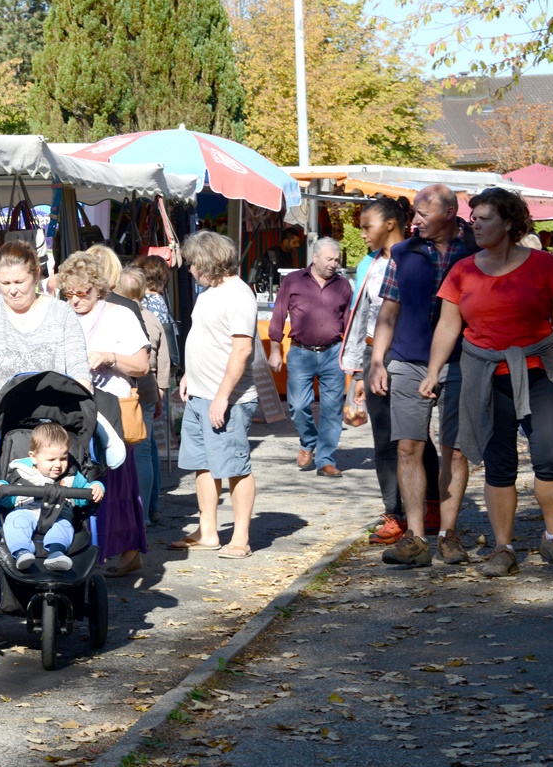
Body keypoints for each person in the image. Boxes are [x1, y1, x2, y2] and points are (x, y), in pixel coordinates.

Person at [419, 188, 553, 577]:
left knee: (550, 456)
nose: (474, 223)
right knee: (499, 464)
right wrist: (433, 371)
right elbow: (448, 325)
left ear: (509, 222)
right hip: (485, 374)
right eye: (473, 217)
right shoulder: (462, 271)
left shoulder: (543, 265)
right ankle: (503, 548)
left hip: (539, 370)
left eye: (484, 217)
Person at [368, 184, 479, 568]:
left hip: (464, 360)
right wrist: (378, 360)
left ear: (449, 214)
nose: (413, 220)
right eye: (413, 212)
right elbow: (389, 309)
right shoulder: (404, 252)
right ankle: (415, 537)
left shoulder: (476, 250)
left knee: (456, 448)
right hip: (408, 359)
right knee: (407, 446)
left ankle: (448, 535)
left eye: (422, 214)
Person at [341, 200, 441, 545]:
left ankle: (430, 506)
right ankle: (394, 513)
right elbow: (360, 318)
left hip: (413, 353)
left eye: (368, 226)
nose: (363, 233)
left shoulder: (419, 256)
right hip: (376, 352)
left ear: (390, 224)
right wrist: (358, 372)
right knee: (384, 437)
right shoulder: (368, 264)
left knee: (415, 436)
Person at [56, 250, 150, 576]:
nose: (76, 300)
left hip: (114, 410)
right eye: (70, 294)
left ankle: (126, 551)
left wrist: (109, 356)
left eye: (83, 293)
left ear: (98, 287)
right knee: (81, 480)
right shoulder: (63, 317)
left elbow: (141, 365)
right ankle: (84, 547)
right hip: (76, 411)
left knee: (118, 484)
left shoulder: (120, 315)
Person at [170, 231, 258, 559]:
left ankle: (240, 538)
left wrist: (222, 396)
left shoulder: (238, 294)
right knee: (203, 464)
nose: (189, 269)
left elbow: (242, 350)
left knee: (234, 466)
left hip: (228, 399)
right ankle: (208, 532)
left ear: (207, 261)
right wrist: (190, 375)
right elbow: (204, 336)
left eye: (192, 263)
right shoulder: (208, 293)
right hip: (200, 394)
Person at [0, 240, 90, 410]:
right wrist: (0, 412)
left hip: (56, 420)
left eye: (19, 282)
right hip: (1, 417)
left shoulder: (62, 313)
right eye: (5, 283)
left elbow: (80, 372)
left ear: (36, 274)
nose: (12, 290)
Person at [268, 237, 352, 478]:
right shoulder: (294, 281)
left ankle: (325, 459)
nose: (334, 264)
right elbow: (278, 314)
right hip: (301, 353)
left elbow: (348, 323)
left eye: (336, 260)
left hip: (333, 352)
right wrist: (275, 349)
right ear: (314, 257)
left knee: (332, 409)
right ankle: (308, 440)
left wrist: (352, 358)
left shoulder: (343, 285)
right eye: (329, 259)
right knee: (297, 405)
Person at [0, 423, 105, 571]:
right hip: (26, 510)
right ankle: (22, 552)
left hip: (59, 513)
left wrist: (95, 487)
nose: (58, 465)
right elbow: (7, 500)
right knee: (15, 521)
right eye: (51, 460)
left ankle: (56, 553)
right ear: (33, 457)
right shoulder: (21, 472)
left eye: (63, 458)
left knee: (64, 526)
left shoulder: (71, 475)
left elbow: (83, 497)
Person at [116, 267, 170, 524]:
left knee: (134, 453)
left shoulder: (118, 316)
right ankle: (151, 507)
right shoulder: (153, 318)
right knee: (146, 452)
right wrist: (161, 390)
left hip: (129, 388)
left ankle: (138, 510)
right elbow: (165, 358)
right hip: (149, 389)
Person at [249, 227, 302, 293]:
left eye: (298, 242)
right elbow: (275, 274)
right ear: (286, 242)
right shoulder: (272, 253)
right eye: (294, 242)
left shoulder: (288, 255)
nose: (297, 245)